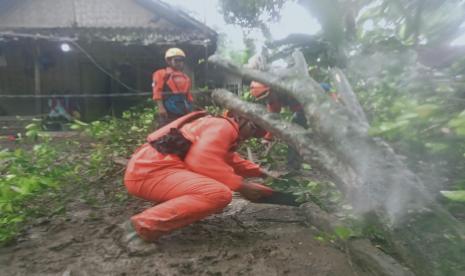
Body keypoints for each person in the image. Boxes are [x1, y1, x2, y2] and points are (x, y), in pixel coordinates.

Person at [123, 110, 277, 245]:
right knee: (218, 194)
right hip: (149, 173)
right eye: (253, 128)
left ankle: (156, 214)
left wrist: (261, 173)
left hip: (148, 170)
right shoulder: (224, 127)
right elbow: (201, 160)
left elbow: (230, 159)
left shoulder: (218, 126)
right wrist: (241, 187)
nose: (251, 136)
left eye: (256, 134)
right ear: (240, 118)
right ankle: (140, 228)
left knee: (214, 186)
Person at [152, 48, 194, 127]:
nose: (179, 63)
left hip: (183, 108)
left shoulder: (185, 77)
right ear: (168, 61)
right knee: (165, 131)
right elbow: (157, 91)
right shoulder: (161, 74)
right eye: (176, 60)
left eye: (181, 60)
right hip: (167, 109)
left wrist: (191, 109)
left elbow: (188, 95)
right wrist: (161, 108)